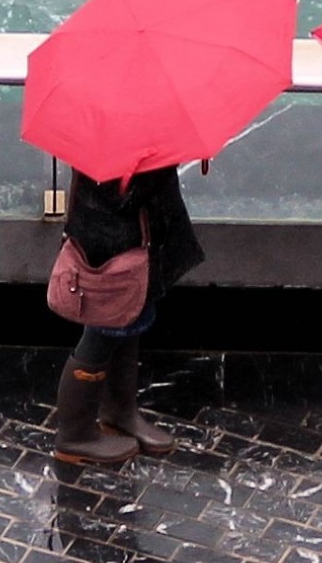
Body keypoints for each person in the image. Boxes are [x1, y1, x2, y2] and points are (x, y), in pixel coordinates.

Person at [46, 161, 207, 470]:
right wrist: (154, 168)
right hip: (113, 253)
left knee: (130, 323)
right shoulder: (113, 152)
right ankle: (75, 434)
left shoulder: (124, 142)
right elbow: (122, 197)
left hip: (136, 251)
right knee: (101, 336)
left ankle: (120, 414)